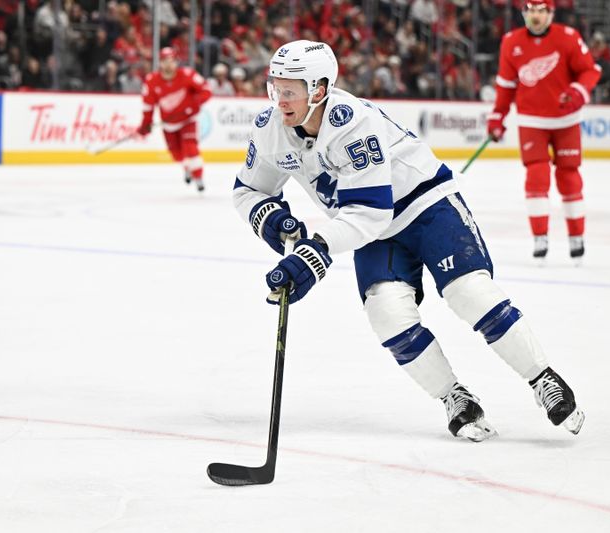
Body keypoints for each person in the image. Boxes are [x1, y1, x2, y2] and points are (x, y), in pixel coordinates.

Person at [233, 40, 585, 442]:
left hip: (426, 205)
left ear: (319, 89)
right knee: (386, 313)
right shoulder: (270, 129)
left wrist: (315, 252)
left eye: (290, 90)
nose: (280, 100)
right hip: (373, 230)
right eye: (275, 87)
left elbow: (371, 210)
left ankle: (542, 377)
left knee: (469, 292)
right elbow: (248, 190)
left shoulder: (352, 122)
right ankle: (454, 396)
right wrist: (273, 220)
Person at [486, 0, 601, 262]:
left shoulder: (568, 37)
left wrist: (577, 92)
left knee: (569, 176)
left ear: (551, 13)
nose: (535, 16)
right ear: (524, 13)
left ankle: (576, 236)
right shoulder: (511, 42)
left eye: (541, 10)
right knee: (536, 176)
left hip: (565, 120)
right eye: (531, 10)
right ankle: (540, 237)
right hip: (532, 121)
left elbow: (590, 71)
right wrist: (497, 116)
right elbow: (506, 85)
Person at [136, 47, 212, 192]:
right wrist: (146, 124)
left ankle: (198, 177)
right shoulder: (152, 81)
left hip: (188, 120)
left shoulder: (188, 74)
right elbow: (148, 105)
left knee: (190, 146)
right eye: (165, 61)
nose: (169, 65)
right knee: (177, 154)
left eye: (172, 61)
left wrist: (193, 105)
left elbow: (206, 90)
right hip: (169, 124)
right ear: (160, 63)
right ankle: (187, 167)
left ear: (177, 62)